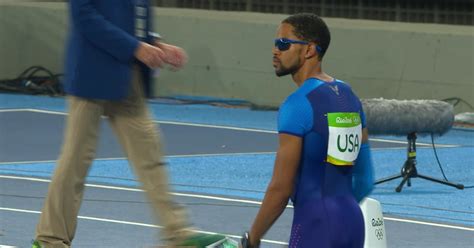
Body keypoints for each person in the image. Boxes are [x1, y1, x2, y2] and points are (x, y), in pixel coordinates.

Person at [31, 0, 219, 247]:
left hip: (127, 74)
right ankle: (50, 239)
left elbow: (133, 12)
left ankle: (177, 233)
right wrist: (134, 47)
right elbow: (84, 15)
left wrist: (154, 42)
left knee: (149, 153)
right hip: (92, 71)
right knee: (75, 160)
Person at [240, 13, 374, 248]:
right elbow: (365, 178)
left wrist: (253, 238)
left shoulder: (297, 104)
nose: (275, 51)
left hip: (315, 225)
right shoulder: (349, 95)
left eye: (284, 43)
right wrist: (339, 210)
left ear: (309, 50)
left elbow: (281, 188)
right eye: (275, 43)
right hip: (353, 223)